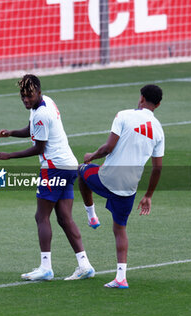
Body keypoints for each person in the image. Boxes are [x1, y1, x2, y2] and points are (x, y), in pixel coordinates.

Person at [0, 74, 95, 281]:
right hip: (68, 165)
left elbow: (39, 147)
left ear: (38, 91)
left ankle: (45, 268)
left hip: (54, 167)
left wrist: (8, 155)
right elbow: (32, 130)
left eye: (29, 96)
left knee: (41, 216)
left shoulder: (41, 113)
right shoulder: (46, 102)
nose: (26, 100)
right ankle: (85, 265)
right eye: (23, 97)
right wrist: (11, 132)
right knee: (65, 218)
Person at [78, 84, 165, 289]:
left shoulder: (124, 115)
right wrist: (148, 196)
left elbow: (109, 147)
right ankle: (121, 277)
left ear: (141, 98)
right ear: (158, 104)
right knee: (120, 229)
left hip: (108, 179)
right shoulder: (159, 130)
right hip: (129, 188)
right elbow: (158, 168)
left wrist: (91, 156)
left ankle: (91, 215)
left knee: (81, 170)